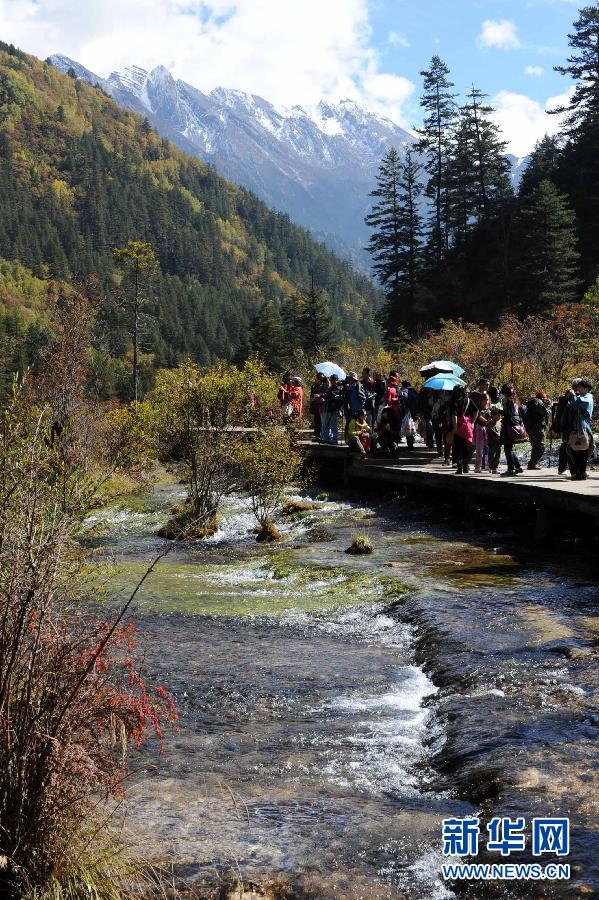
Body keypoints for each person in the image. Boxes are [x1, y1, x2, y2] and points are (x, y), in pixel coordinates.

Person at [563, 379, 594, 480]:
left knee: (582, 450)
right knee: (574, 449)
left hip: (583, 428)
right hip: (576, 427)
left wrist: (573, 396)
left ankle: (581, 473)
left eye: (580, 387)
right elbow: (571, 405)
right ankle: (580, 472)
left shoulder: (588, 397)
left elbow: (580, 403)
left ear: (586, 388)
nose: (578, 388)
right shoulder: (580, 397)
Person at [552, 378, 581, 474]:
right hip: (571, 427)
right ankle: (573, 471)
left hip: (566, 427)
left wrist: (556, 427)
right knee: (570, 447)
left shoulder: (564, 398)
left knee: (566, 446)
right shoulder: (574, 398)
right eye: (580, 385)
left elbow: (558, 414)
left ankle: (562, 468)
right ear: (576, 386)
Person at [500, 384, 525, 476]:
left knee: (507, 448)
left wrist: (498, 411)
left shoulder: (509, 402)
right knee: (509, 448)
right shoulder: (514, 401)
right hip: (513, 426)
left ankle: (510, 469)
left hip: (509, 427)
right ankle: (518, 467)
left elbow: (508, 415)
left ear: (505, 394)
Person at [522, 391, 551, 470]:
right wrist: (548, 406)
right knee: (541, 447)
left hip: (530, 427)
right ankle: (532, 464)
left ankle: (532, 464)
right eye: (545, 399)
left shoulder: (531, 402)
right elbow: (546, 413)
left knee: (535, 446)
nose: (546, 401)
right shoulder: (538, 402)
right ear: (542, 399)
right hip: (537, 428)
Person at [451, 386, 475, 474]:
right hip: (467, 426)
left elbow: (454, 415)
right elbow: (476, 411)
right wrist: (472, 422)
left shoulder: (456, 401)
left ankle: (459, 468)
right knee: (465, 447)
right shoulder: (469, 400)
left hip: (459, 426)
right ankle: (465, 468)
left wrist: (455, 428)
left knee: (458, 448)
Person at [320, 374, 343, 444]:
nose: (331, 381)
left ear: (336, 380)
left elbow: (335, 396)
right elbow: (328, 395)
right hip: (329, 407)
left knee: (333, 425)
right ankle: (327, 438)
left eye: (332, 380)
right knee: (327, 424)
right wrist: (325, 395)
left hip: (335, 408)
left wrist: (330, 394)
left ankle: (334, 439)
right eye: (331, 380)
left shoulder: (339, 388)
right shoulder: (331, 387)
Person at [343, 372, 366, 439]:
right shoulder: (348, 387)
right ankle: (348, 439)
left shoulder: (358, 386)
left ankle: (357, 439)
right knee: (348, 424)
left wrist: (361, 409)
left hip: (357, 410)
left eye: (349, 378)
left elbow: (363, 398)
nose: (348, 379)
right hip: (349, 409)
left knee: (357, 425)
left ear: (352, 379)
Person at [473, 392, 491, 473]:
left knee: (488, 449)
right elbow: (479, 417)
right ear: (481, 400)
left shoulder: (490, 409)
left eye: (487, 399)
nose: (486, 401)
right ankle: (477, 467)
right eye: (484, 399)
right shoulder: (478, 408)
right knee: (479, 449)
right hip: (480, 429)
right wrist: (488, 421)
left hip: (488, 429)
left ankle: (487, 465)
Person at [309, 372, 328, 441]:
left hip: (322, 405)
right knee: (316, 421)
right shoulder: (314, 385)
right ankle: (317, 436)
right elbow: (311, 395)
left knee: (321, 421)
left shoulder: (325, 385)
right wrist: (312, 398)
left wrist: (319, 395)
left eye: (321, 378)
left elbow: (326, 393)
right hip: (315, 405)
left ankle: (321, 436)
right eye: (319, 378)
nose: (320, 379)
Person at [487, 406, 503, 474]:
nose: (499, 417)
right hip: (492, 442)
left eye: (500, 415)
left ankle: (494, 467)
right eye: (498, 415)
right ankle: (492, 467)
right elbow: (491, 431)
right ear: (493, 415)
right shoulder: (490, 423)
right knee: (491, 454)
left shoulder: (499, 423)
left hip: (498, 442)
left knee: (498, 454)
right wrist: (498, 436)